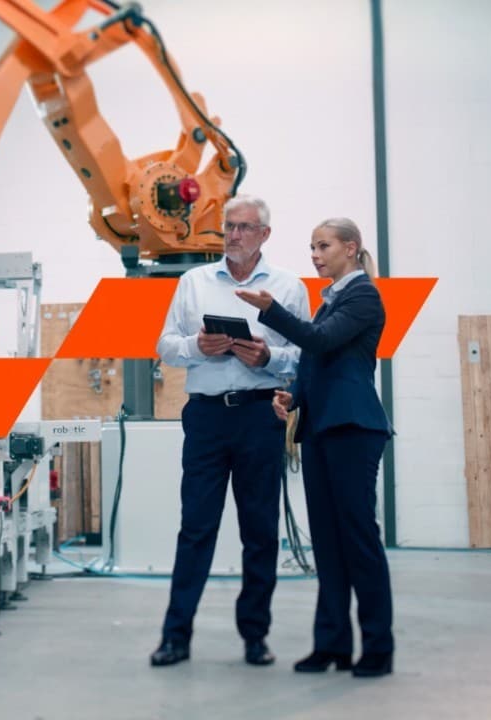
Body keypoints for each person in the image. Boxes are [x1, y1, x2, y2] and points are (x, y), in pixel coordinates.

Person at [150, 195, 311, 668]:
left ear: (264, 235)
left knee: (259, 531)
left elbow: (305, 354)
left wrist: (269, 358)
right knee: (196, 528)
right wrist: (198, 346)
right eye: (229, 227)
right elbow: (165, 346)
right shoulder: (193, 282)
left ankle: (255, 636)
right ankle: (175, 637)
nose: (234, 236)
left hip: (260, 417)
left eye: (244, 228)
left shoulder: (288, 286)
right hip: (206, 418)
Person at [235, 217, 394, 678]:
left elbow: (320, 341)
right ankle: (333, 645)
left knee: (358, 540)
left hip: (353, 429)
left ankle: (378, 648)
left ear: (351, 248)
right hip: (324, 428)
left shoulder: (363, 295)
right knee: (327, 543)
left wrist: (272, 310)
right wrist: (294, 396)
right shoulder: (332, 303)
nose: (315, 255)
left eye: (323, 246)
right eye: (311, 247)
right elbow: (319, 362)